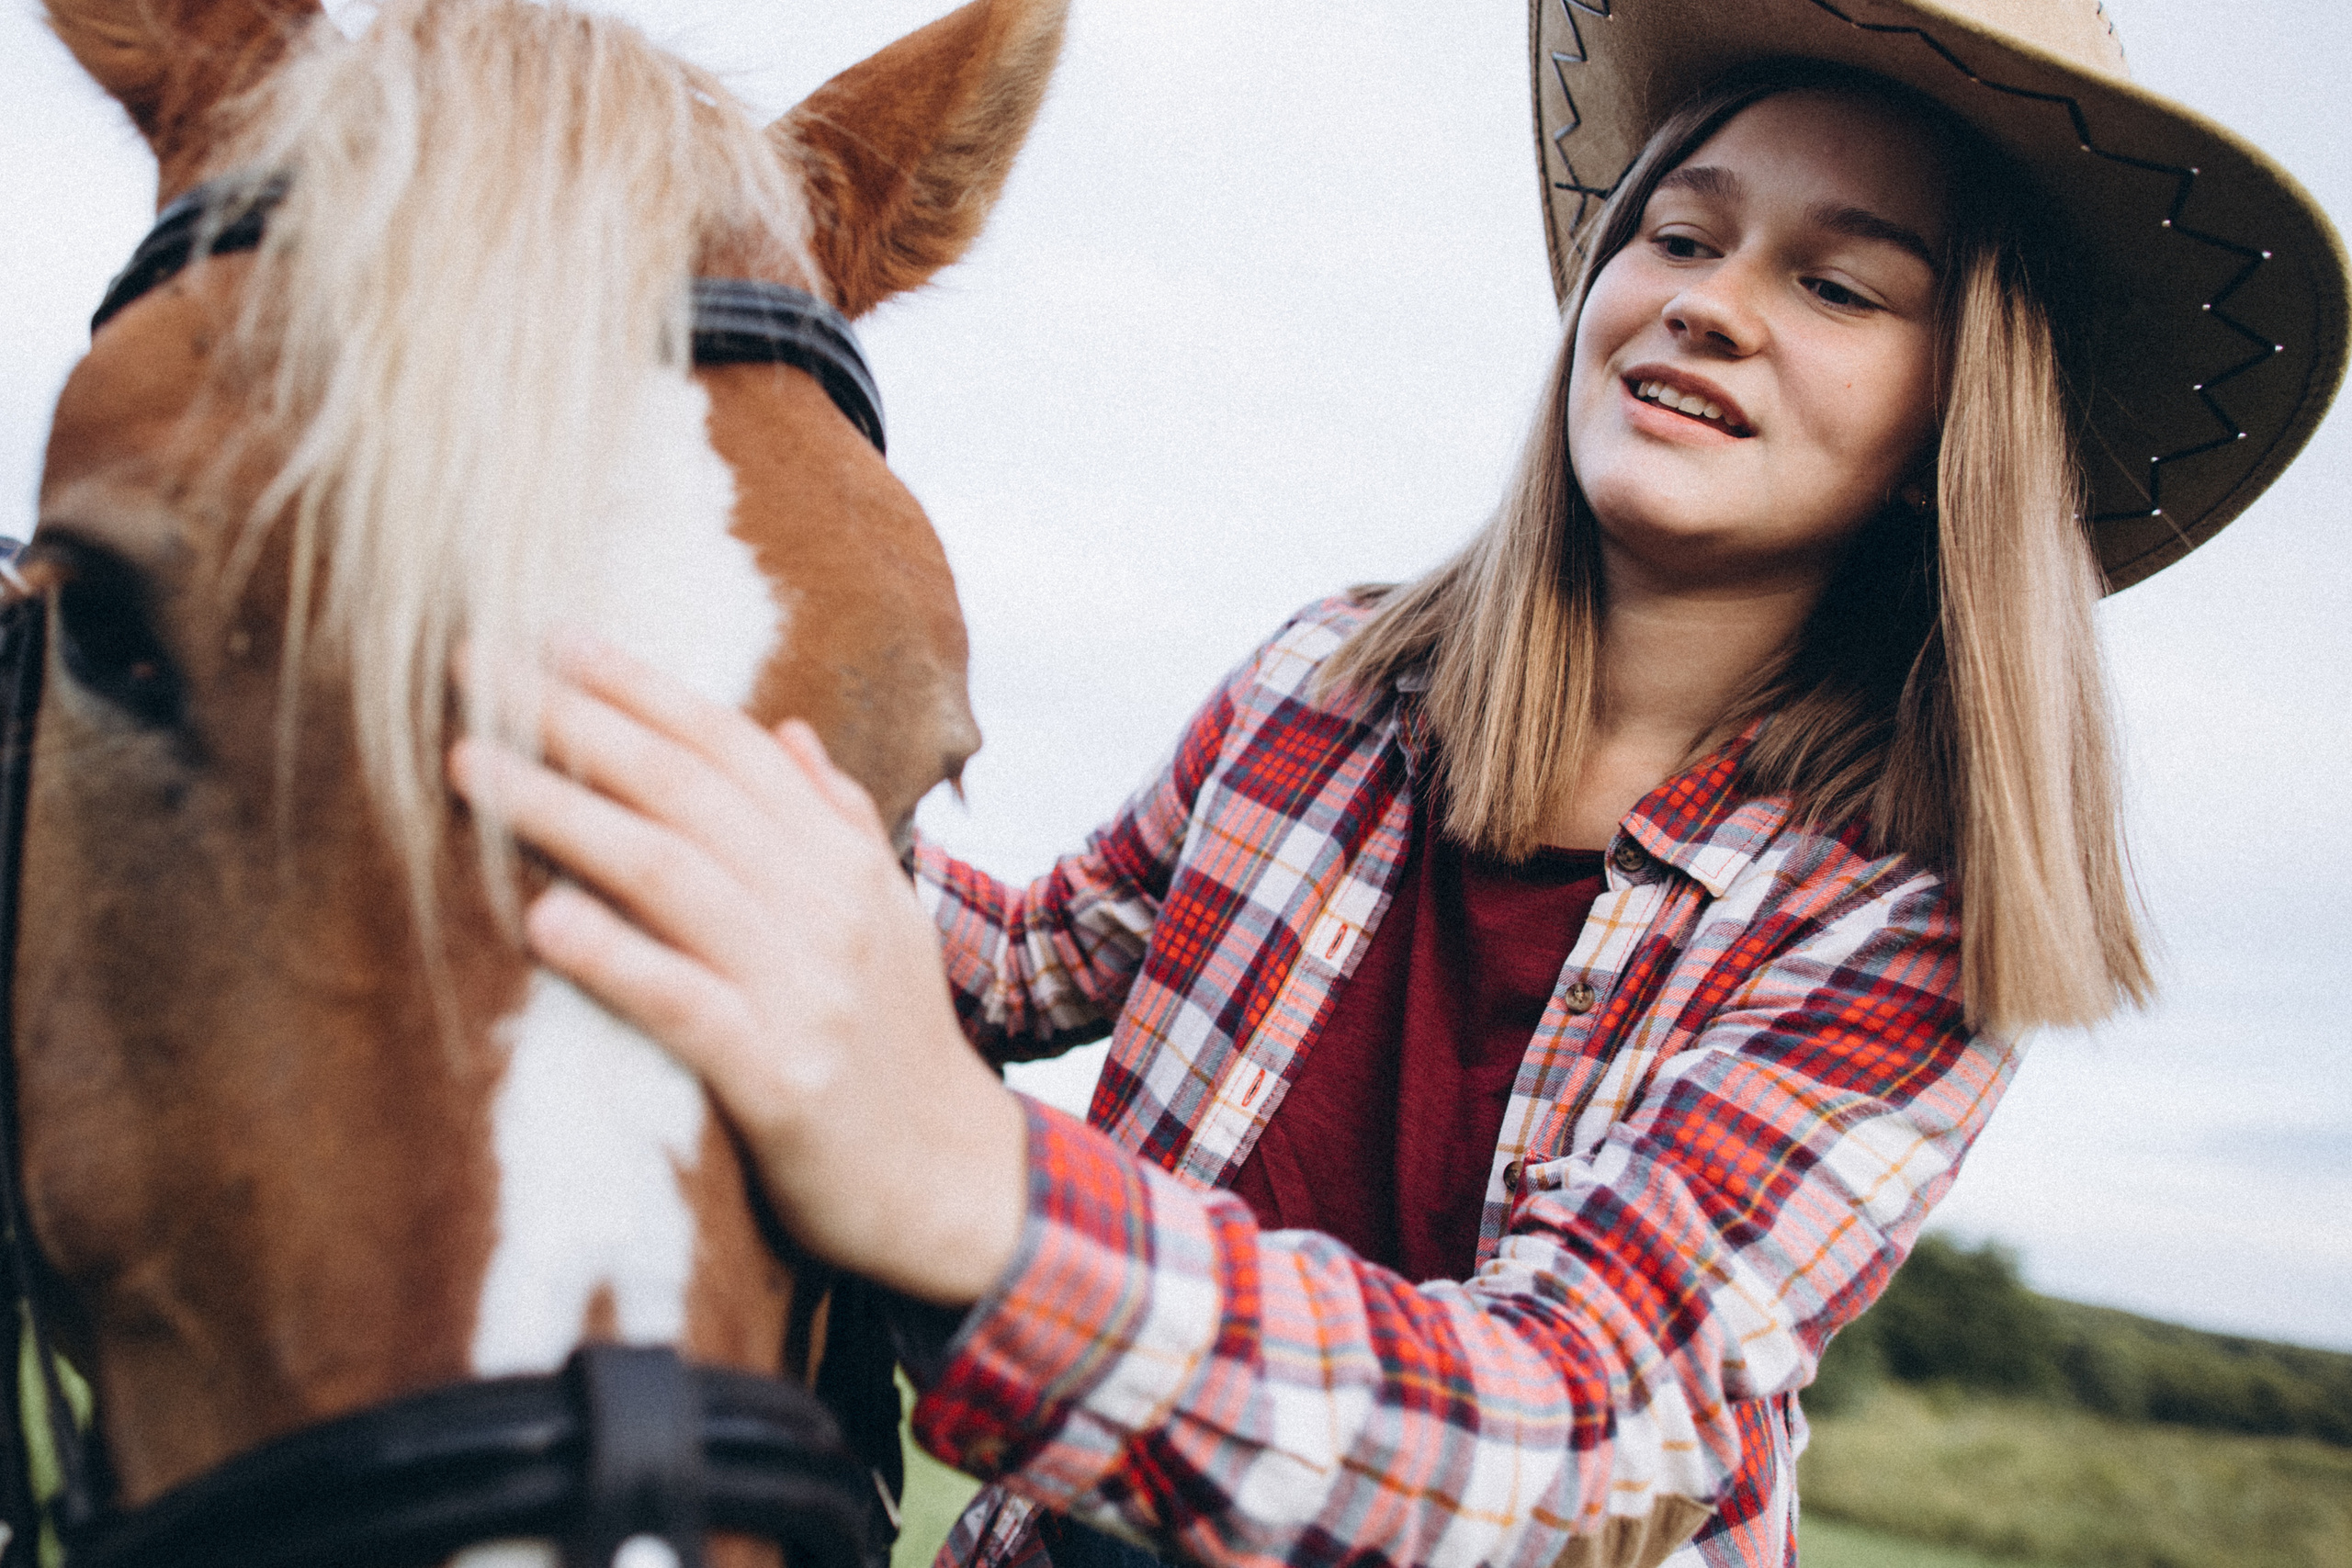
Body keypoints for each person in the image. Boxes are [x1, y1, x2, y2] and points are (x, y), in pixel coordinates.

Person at [447, 2, 2346, 1565]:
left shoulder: (1899, 917)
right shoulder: (1329, 680)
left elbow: (1576, 1425)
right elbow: (1020, 958)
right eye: (1677, 237)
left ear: (1958, 428)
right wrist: (653, 717)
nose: (1710, 299)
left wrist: (972, 1201)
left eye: (1838, 286)